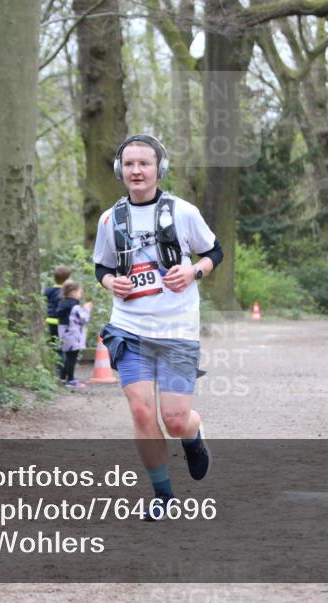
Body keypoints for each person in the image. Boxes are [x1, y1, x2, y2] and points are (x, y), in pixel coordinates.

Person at [92, 134, 223, 520]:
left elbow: (214, 251)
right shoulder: (109, 219)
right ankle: (164, 496)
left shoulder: (183, 212)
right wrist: (107, 282)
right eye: (129, 164)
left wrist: (194, 270)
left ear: (158, 168)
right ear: (120, 170)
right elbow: (101, 265)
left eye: (144, 163)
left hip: (177, 331)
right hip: (128, 329)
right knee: (141, 413)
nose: (136, 170)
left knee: (175, 419)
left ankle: (194, 438)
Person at [55, 280, 92, 389]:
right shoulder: (75, 307)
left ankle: (62, 377)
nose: (81, 295)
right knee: (72, 358)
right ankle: (70, 380)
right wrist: (87, 309)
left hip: (64, 335)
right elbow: (84, 319)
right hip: (73, 336)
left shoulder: (62, 303)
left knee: (67, 357)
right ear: (73, 292)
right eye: (80, 292)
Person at [44, 265, 72, 376]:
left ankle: (57, 369)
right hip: (62, 323)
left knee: (56, 346)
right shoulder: (65, 292)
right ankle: (61, 372)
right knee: (63, 347)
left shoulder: (49, 291)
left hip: (50, 321)